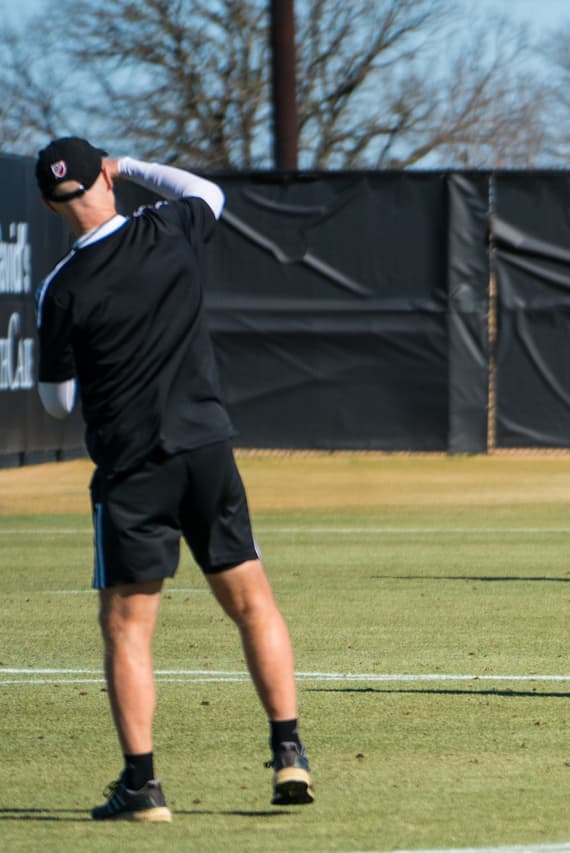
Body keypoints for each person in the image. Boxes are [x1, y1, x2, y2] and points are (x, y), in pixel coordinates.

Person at [33, 137, 314, 821]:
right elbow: (207, 193)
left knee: (128, 628)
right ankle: (289, 752)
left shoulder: (62, 288)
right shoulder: (170, 228)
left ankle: (143, 786)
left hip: (133, 468)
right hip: (206, 450)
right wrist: (128, 165)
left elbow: (58, 402)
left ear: (48, 204)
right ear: (106, 175)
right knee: (253, 602)